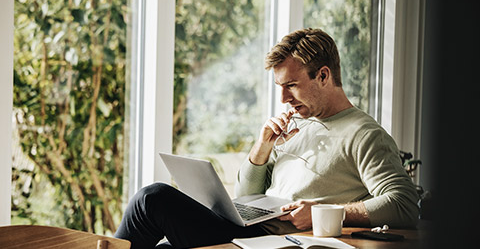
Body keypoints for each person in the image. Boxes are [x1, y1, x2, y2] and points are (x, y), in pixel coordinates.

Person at [114, 28, 419, 248]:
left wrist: (323, 214)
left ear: (323, 76)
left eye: (292, 86)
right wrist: (262, 148)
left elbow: (404, 204)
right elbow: (246, 195)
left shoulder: (364, 134)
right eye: (280, 87)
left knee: (151, 199)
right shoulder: (300, 123)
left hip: (277, 242)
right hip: (248, 229)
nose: (284, 97)